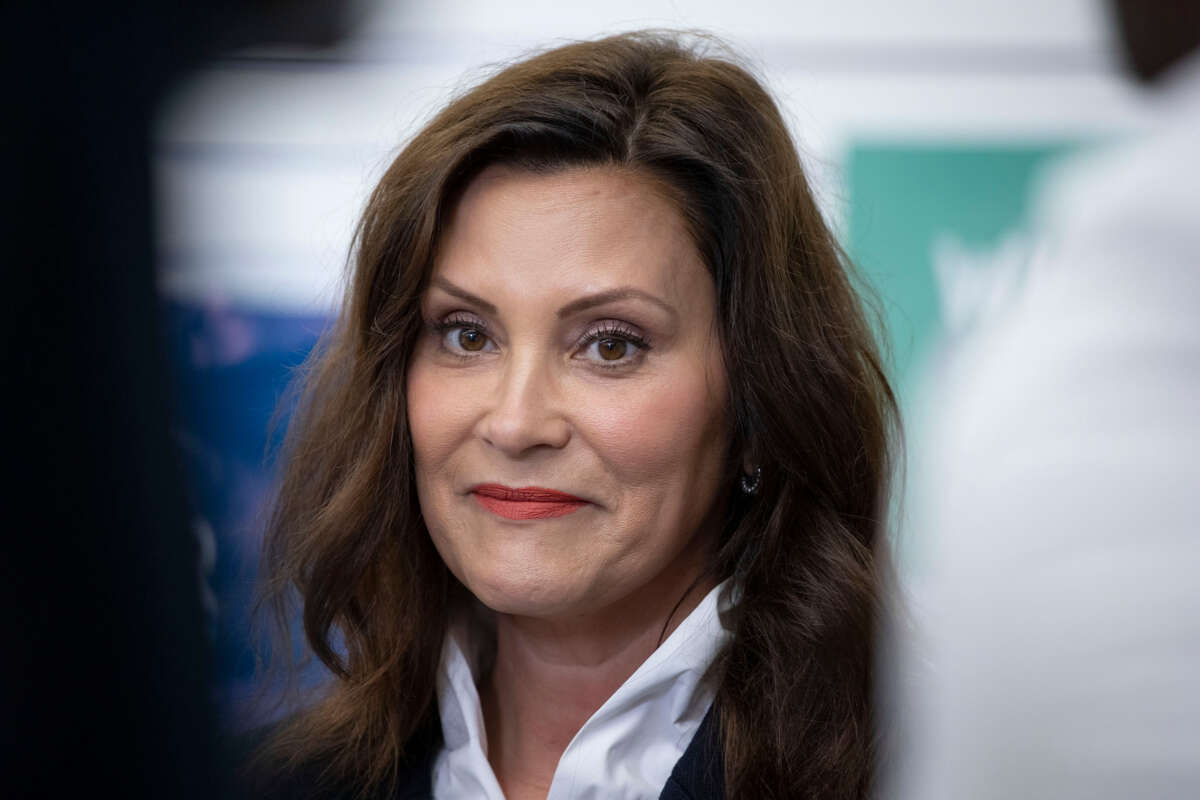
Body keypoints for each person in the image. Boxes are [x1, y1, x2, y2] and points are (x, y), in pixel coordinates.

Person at [251, 31, 898, 800]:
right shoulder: (252, 782)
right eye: (467, 335)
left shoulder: (934, 775)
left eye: (612, 346)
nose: (516, 424)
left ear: (758, 408)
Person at [887, 2, 1200, 798]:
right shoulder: (1106, 315)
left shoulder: (1116, 347)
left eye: (615, 344)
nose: (516, 420)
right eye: (507, 339)